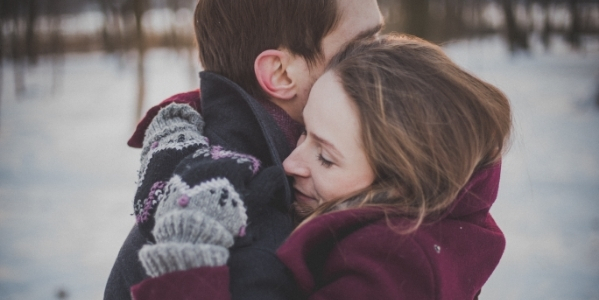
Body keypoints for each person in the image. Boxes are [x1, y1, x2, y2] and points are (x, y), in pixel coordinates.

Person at [130, 34, 512, 299]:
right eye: (303, 132)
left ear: (402, 183)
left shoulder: (395, 269)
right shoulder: (411, 230)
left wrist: (187, 268)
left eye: (326, 157)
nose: (291, 163)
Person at [103, 0, 383, 299]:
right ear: (281, 74)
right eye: (364, 45)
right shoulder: (248, 238)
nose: (388, 57)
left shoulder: (280, 179)